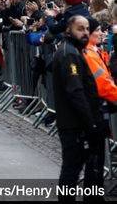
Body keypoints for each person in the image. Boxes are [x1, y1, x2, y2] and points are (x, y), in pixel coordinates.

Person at [52, 15, 107, 202]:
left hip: (79, 122)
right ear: (69, 30)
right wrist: (90, 124)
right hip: (75, 124)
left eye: (86, 29)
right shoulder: (69, 54)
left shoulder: (74, 50)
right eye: (80, 29)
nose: (84, 33)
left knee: (88, 169)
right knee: (72, 170)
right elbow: (75, 91)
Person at [83, 18, 117, 102]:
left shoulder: (94, 50)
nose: (101, 33)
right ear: (88, 33)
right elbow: (103, 85)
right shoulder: (89, 55)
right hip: (104, 100)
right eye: (97, 30)